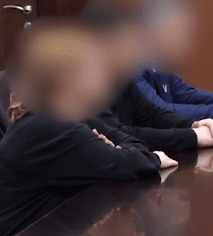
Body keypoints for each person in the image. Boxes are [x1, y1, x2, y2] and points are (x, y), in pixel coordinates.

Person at [0, 22, 177, 236]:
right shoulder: (52, 126)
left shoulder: (56, 118)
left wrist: (115, 152)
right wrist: (151, 158)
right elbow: (133, 162)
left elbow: (130, 148)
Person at [80, 0, 213, 152]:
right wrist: (193, 136)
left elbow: (151, 114)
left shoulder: (119, 74)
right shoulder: (84, 82)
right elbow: (119, 133)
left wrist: (193, 124)